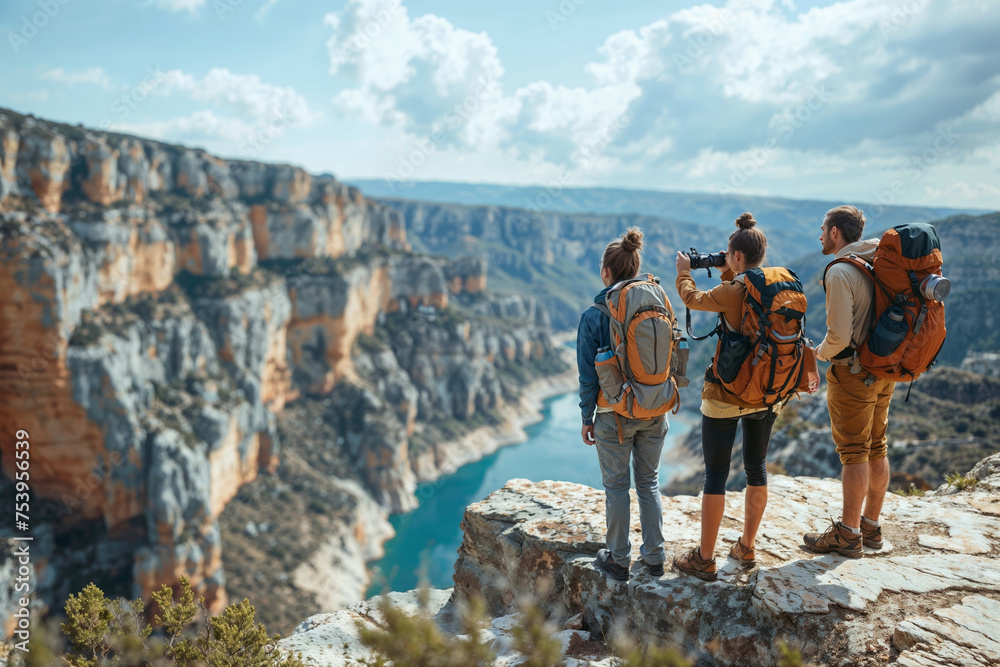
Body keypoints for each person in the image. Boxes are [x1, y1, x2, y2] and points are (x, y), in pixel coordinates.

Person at [671, 213, 818, 581]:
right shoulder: (777, 286)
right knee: (757, 468)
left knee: (716, 476)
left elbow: (693, 298)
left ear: (736, 256)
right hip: (769, 393)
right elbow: (743, 305)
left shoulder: (734, 290)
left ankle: (704, 558)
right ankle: (747, 547)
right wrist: (729, 271)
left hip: (726, 393)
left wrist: (684, 270)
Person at [577, 227, 668, 581]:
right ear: (635, 268)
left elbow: (588, 375)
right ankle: (655, 557)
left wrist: (587, 417)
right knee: (649, 483)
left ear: (606, 272)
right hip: (655, 408)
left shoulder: (594, 315)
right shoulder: (656, 300)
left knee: (617, 487)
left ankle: (618, 559)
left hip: (614, 414)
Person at [803, 205, 890, 558]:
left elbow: (838, 337)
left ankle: (848, 534)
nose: (820, 236)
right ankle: (870, 526)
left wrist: (817, 354)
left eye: (823, 229)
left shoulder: (840, 271)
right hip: (883, 368)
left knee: (854, 452)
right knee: (876, 445)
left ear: (836, 232)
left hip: (852, 372)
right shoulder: (876, 260)